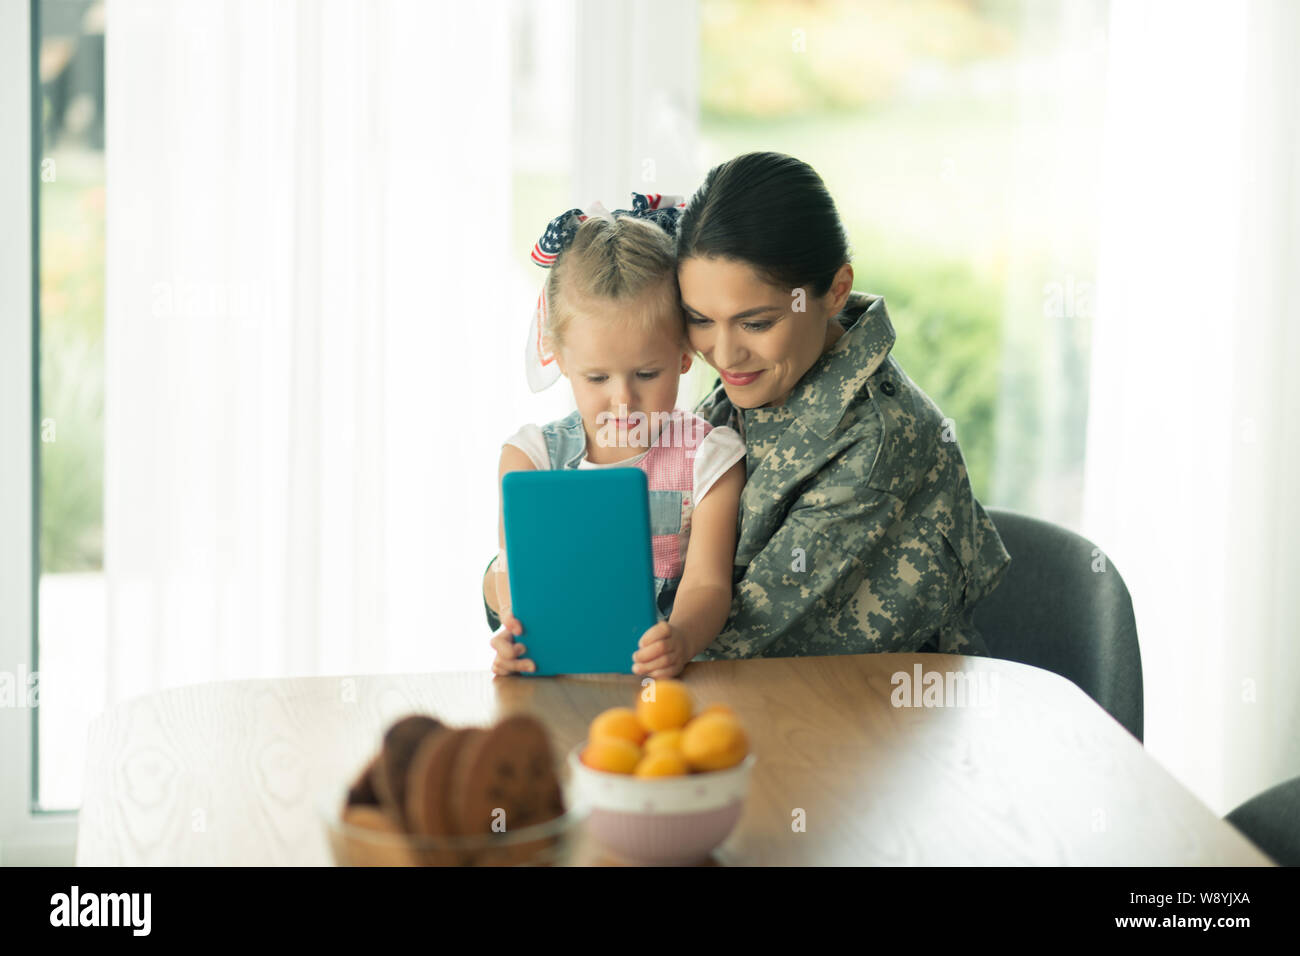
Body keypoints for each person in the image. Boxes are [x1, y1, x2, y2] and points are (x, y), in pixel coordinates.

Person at [675, 151, 1011, 658]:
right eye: (700, 319)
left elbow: (729, 646)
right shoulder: (760, 383)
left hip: (870, 722)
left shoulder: (878, 440)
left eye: (756, 323)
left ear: (835, 292)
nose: (722, 354)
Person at [484, 194, 747, 679]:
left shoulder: (709, 459)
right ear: (559, 359)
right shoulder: (530, 458)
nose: (623, 400)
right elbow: (508, 571)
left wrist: (682, 638)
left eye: (647, 373)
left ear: (685, 356)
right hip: (554, 679)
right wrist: (510, 628)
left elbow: (708, 585)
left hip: (665, 688)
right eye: (597, 378)